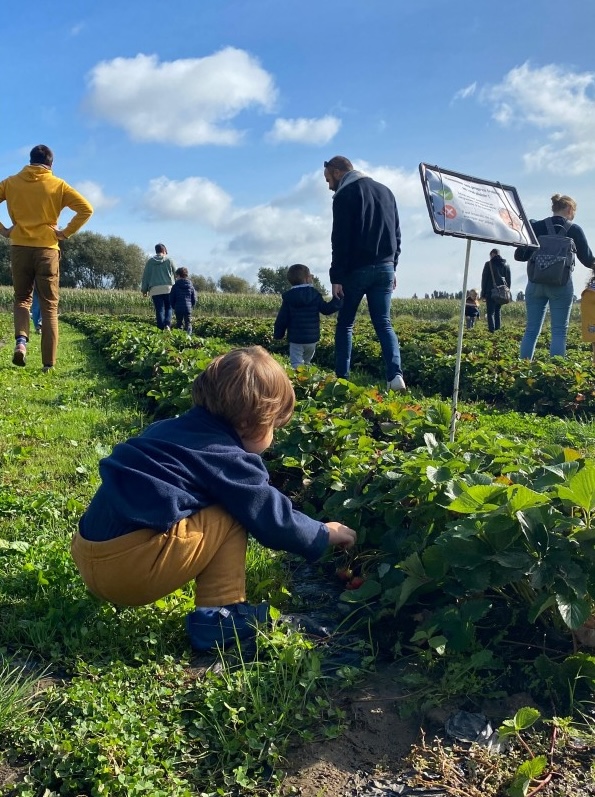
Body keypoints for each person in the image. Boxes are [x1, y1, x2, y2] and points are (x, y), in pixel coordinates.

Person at [71, 346, 357, 652]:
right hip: (129, 572)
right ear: (249, 422)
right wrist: (324, 532)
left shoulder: (164, 429)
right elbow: (273, 519)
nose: (274, 435)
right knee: (233, 509)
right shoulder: (225, 456)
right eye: (273, 426)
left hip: (88, 552)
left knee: (214, 502)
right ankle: (220, 618)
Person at [0, 145, 93, 371]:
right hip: (48, 249)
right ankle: (48, 364)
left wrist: (3, 230)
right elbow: (86, 209)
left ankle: (21, 342)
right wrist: (64, 233)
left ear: (30, 160)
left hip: (20, 247)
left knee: (22, 299)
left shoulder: (11, 182)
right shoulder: (58, 185)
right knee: (49, 307)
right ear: (50, 164)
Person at [323, 156, 406, 391]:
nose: (329, 186)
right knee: (384, 323)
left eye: (328, 179)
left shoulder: (344, 195)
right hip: (385, 267)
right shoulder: (386, 192)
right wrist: (393, 265)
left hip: (356, 270)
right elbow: (397, 234)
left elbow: (339, 239)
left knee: (346, 323)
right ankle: (395, 376)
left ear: (339, 172)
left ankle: (342, 378)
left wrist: (336, 276)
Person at [515, 194, 595, 360]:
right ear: (569, 209)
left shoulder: (536, 226)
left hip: (535, 283)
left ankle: (521, 370)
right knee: (559, 331)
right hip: (561, 284)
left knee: (531, 330)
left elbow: (519, 255)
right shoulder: (574, 229)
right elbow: (588, 260)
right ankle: (555, 374)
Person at [273, 263, 341, 367]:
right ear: (307, 278)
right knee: (307, 361)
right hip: (312, 339)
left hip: (296, 339)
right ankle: (307, 377)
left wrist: (278, 334)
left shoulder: (289, 298)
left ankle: (298, 380)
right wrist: (338, 300)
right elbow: (326, 310)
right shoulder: (314, 294)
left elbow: (282, 318)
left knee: (296, 363)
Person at [141, 243, 176, 330]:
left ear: (156, 251)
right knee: (169, 307)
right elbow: (177, 274)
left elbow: (146, 277)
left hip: (155, 290)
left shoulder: (150, 262)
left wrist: (144, 290)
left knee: (159, 309)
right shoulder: (169, 260)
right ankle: (167, 324)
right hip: (168, 289)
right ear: (164, 251)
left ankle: (160, 328)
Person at [480, 249, 511, 332]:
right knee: (498, 311)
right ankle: (498, 330)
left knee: (490, 313)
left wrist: (483, 293)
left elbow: (484, 279)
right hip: (502, 292)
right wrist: (507, 292)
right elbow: (509, 281)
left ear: (492, 254)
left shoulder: (489, 264)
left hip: (491, 292)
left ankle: (492, 331)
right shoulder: (506, 265)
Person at [169, 267, 196, 336]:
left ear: (178, 275)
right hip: (188, 308)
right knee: (188, 323)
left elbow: (171, 298)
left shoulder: (175, 286)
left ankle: (179, 336)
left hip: (178, 308)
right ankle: (188, 337)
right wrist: (192, 305)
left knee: (179, 323)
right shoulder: (191, 286)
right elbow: (194, 298)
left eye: (176, 276)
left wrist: (173, 306)